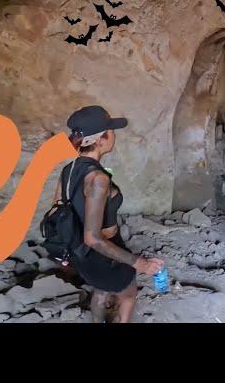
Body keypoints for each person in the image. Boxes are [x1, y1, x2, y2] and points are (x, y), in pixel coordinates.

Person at [53, 105, 163, 323]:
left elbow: (57, 210)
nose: (114, 135)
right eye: (110, 131)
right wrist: (138, 263)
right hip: (103, 251)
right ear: (100, 140)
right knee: (128, 294)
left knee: (101, 289)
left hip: (80, 252)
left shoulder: (69, 169)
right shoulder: (97, 179)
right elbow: (93, 238)